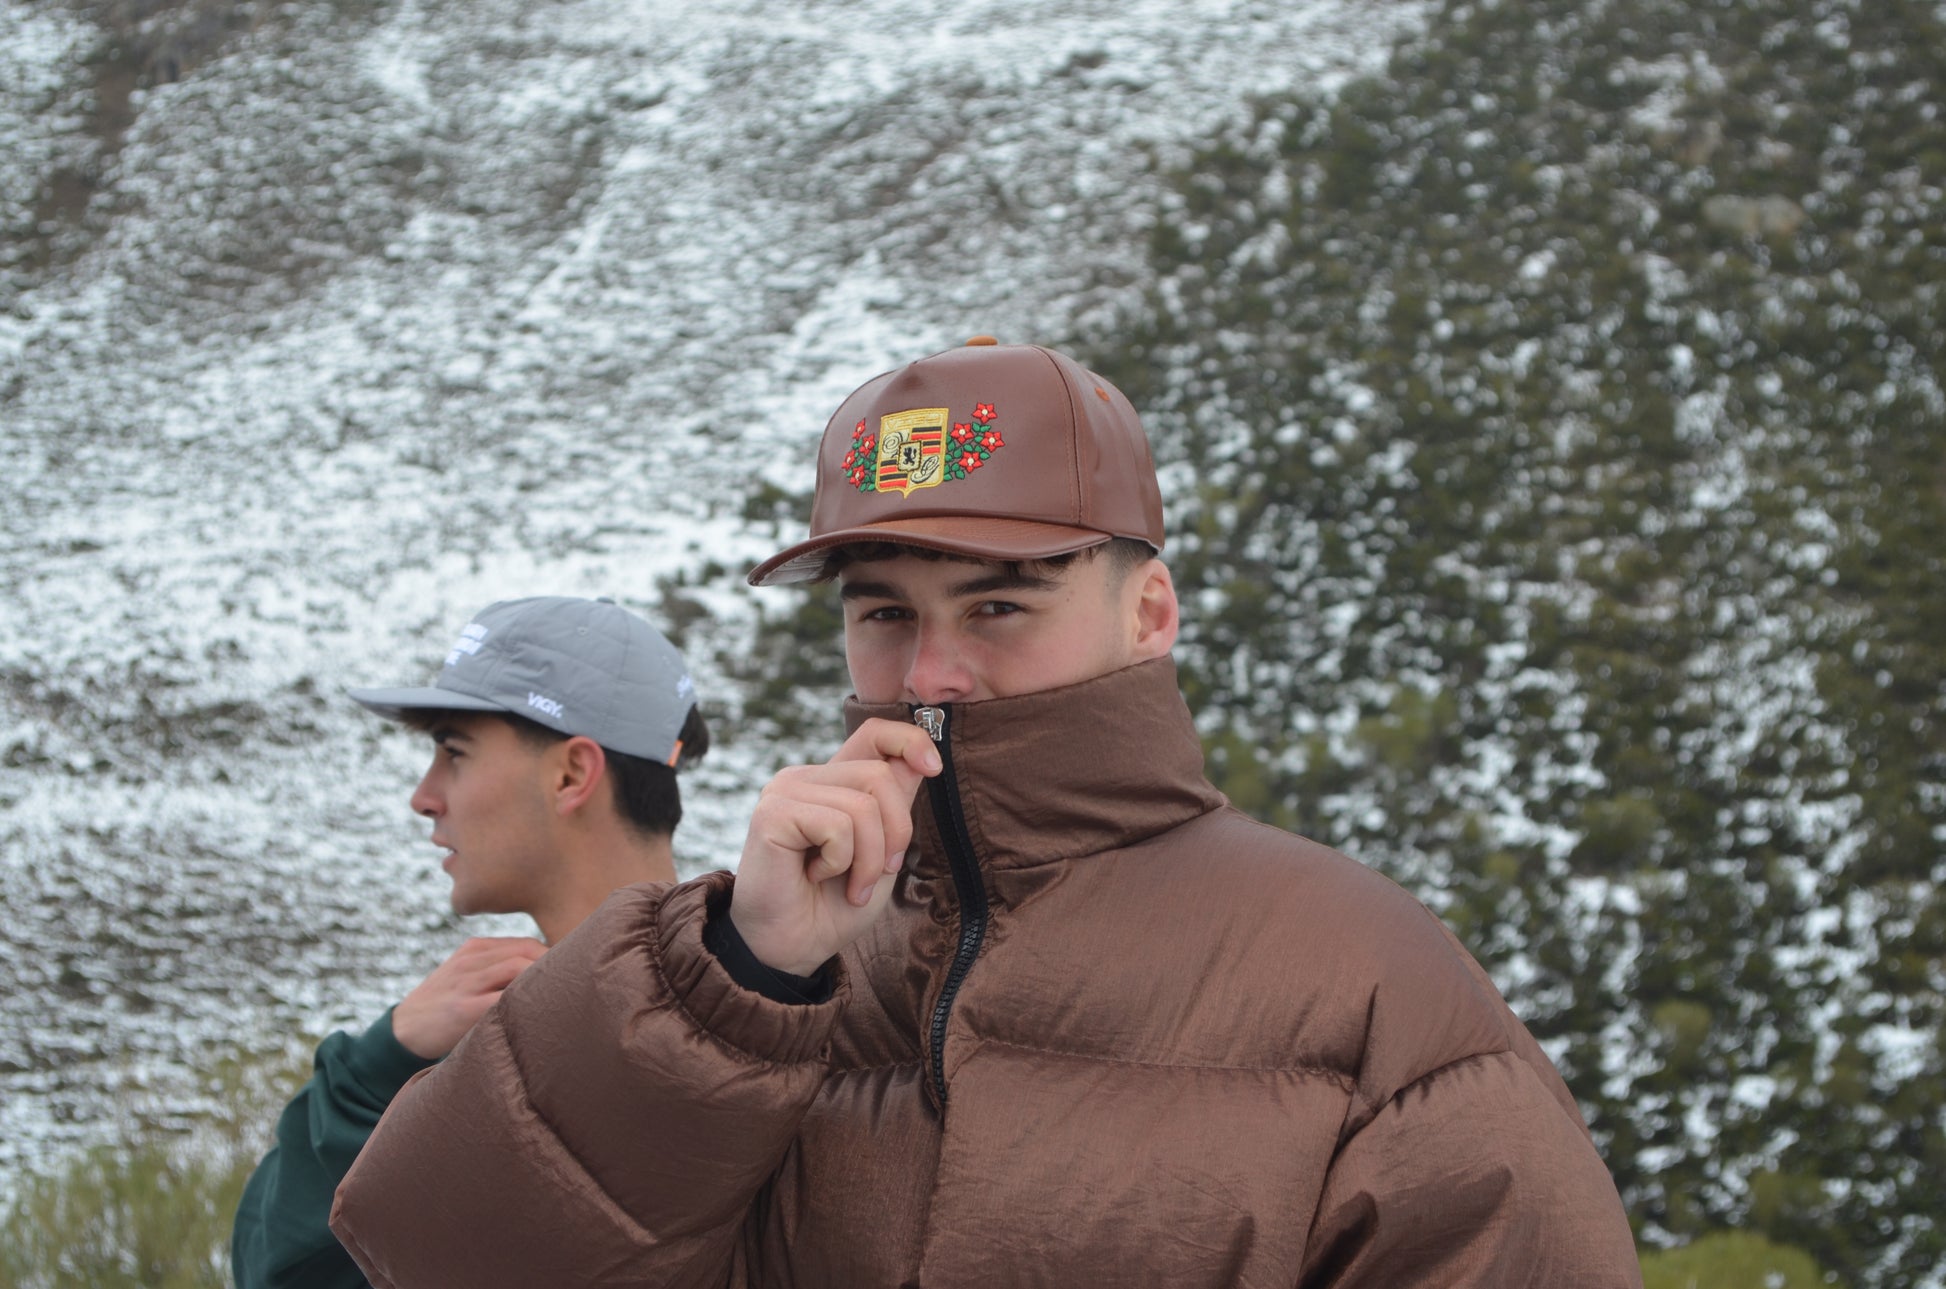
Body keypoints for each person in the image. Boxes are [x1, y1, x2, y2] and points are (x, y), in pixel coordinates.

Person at [331, 342, 1642, 1286]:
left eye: (999, 604)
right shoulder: (771, 969)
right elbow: (441, 1253)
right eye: (882, 611)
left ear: (1148, 612)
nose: (931, 672)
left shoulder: (1365, 981)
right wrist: (734, 974)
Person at [232, 595, 708, 1289]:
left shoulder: (741, 1037)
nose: (424, 796)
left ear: (572, 775)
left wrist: (370, 1078)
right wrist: (384, 1062)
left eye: (454, 752)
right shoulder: (754, 1011)